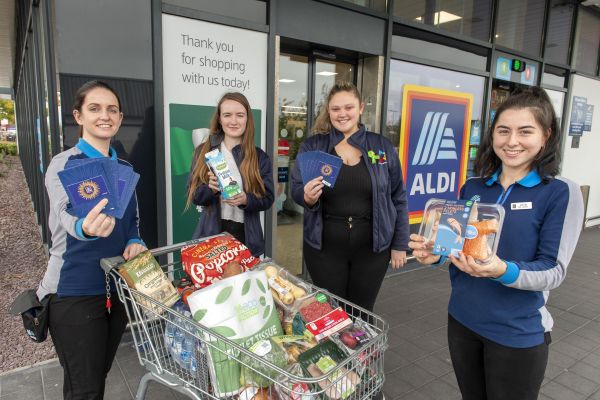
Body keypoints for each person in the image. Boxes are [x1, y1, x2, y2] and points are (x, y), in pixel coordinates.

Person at [408, 87, 584, 400]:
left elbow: (553, 270)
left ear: (546, 135)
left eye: (525, 131)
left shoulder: (558, 192)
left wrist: (502, 270)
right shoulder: (474, 186)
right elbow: (458, 247)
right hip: (462, 320)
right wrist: (433, 255)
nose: (512, 141)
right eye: (503, 131)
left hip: (517, 332)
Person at [37, 80, 147, 399]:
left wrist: (135, 240)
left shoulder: (123, 167)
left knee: (95, 377)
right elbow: (66, 216)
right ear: (78, 116)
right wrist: (86, 226)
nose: (105, 115)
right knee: (84, 389)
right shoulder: (64, 164)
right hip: (74, 293)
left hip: (115, 289)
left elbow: (132, 223)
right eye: (94, 108)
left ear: (120, 118)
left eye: (112, 109)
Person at [291, 82, 409, 312]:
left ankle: (365, 349)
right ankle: (335, 348)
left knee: (362, 311)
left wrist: (400, 244)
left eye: (349, 107)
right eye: (335, 109)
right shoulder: (314, 146)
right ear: (328, 110)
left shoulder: (381, 146)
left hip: (372, 249)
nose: (342, 114)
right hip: (325, 248)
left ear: (361, 108)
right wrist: (307, 197)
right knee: (332, 312)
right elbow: (296, 188)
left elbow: (398, 197)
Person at [187, 92, 274, 256]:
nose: (233, 121)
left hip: (246, 238)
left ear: (247, 118)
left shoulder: (259, 157)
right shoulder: (204, 151)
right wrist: (210, 189)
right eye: (227, 115)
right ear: (219, 118)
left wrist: (246, 199)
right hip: (212, 237)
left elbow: (268, 199)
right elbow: (194, 197)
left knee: (244, 282)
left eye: (240, 115)